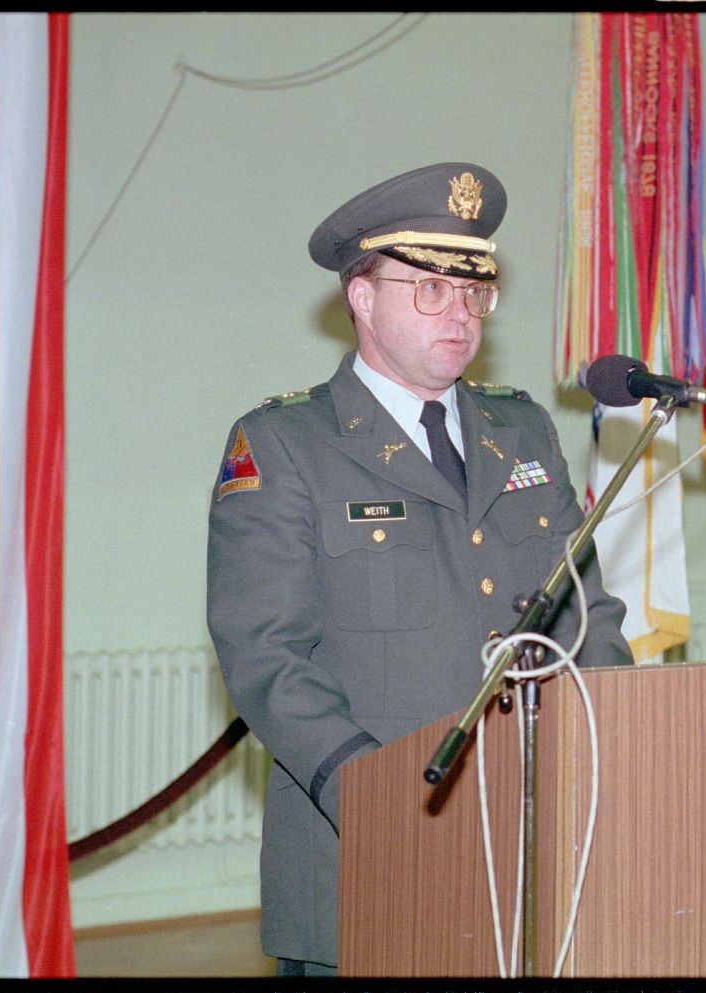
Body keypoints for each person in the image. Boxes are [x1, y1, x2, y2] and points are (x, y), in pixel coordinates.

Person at [206, 162, 632, 976]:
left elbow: (587, 613)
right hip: (366, 860)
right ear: (360, 298)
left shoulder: (523, 428)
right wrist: (376, 795)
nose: (461, 312)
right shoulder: (286, 445)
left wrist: (618, 749)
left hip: (529, 849)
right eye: (430, 288)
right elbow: (266, 652)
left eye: (475, 290)